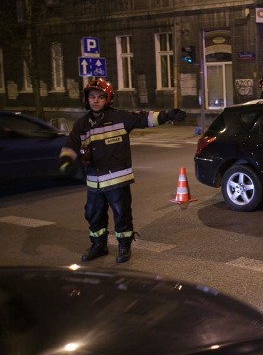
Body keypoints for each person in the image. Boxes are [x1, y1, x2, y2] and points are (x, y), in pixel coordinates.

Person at [58, 78, 186, 264]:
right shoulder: (82, 124)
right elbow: (71, 144)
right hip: (94, 181)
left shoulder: (119, 117)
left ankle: (124, 246)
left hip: (117, 180)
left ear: (107, 99)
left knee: (122, 215)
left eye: (100, 97)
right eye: (92, 97)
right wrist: (66, 159)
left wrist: (168, 115)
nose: (95, 100)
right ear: (87, 99)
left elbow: (145, 119)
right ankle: (98, 246)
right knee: (94, 216)